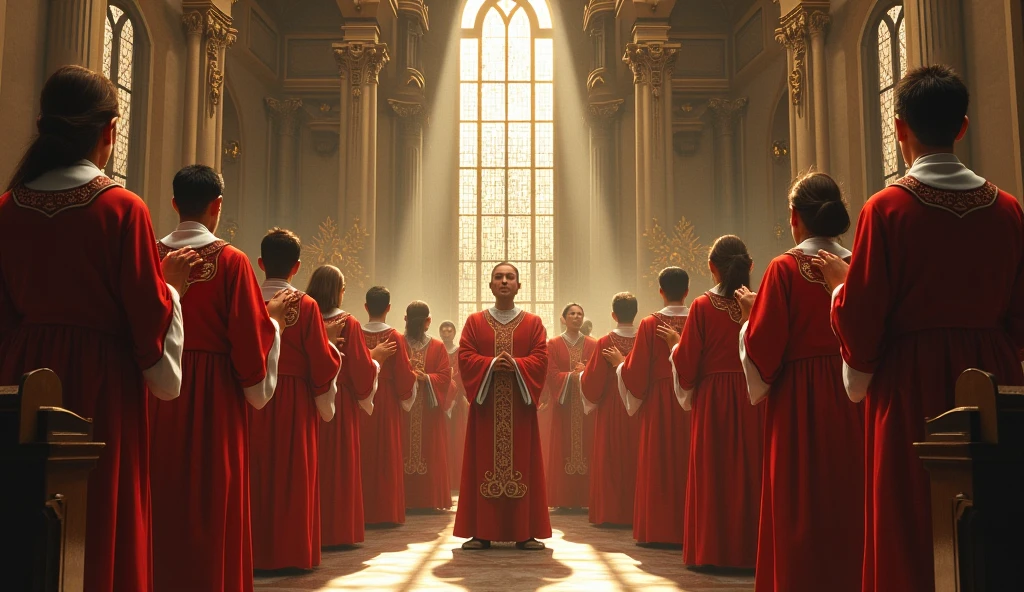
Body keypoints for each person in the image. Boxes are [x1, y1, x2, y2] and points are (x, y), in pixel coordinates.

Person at [817, 65, 1024, 592]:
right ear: (963, 127)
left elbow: (863, 320)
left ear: (899, 127)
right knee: (995, 519)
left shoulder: (885, 208)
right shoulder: (1008, 210)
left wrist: (841, 287)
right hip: (991, 385)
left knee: (910, 520)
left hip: (912, 386)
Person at [0, 65, 189, 592]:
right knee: (101, 512)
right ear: (109, 130)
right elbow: (145, 316)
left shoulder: (6, 209)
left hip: (25, 384)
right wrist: (172, 288)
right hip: (100, 387)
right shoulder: (121, 208)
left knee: (24, 514)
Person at [149, 166, 293, 591]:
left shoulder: (152, 256)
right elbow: (250, 341)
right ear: (218, 207)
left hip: (156, 391)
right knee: (211, 494)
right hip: (215, 397)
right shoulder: (232, 261)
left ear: (174, 204)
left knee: (160, 487)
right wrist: (276, 327)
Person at [738, 172, 864, 592]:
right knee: (851, 492)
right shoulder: (858, 262)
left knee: (801, 498)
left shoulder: (784, 267)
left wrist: (749, 320)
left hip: (799, 400)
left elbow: (765, 345)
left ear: (795, 217)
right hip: (854, 393)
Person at [666, 235, 764, 569]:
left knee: (715, 474)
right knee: (754, 471)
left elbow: (688, 362)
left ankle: (715, 552)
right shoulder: (763, 300)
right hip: (755, 397)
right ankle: (754, 552)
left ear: (712, 268)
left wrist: (676, 348)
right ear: (750, 266)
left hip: (715, 400)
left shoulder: (703, 306)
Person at [249, 228, 342, 570]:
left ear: (260, 263)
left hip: (249, 395)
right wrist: (333, 350)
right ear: (297, 267)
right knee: (292, 475)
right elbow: (321, 361)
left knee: (253, 473)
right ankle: (290, 554)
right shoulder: (307, 305)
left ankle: (252, 551)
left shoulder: (246, 297)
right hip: (294, 401)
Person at [454, 262, 551, 550]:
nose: (505, 281)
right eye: (499, 277)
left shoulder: (533, 322)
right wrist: (494, 363)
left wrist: (518, 366)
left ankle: (525, 532)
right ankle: (480, 532)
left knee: (524, 463)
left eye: (510, 277)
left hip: (519, 410)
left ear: (519, 286)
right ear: (491, 285)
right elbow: (465, 356)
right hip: (486, 408)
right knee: (481, 463)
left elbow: (542, 358)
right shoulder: (475, 321)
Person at [306, 265, 392, 547]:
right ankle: (336, 531)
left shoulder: (304, 315)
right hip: (339, 402)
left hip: (305, 399)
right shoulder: (348, 322)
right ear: (338, 291)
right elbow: (360, 370)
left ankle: (308, 528)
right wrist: (375, 357)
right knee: (338, 465)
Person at [603, 267, 691, 545]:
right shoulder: (699, 316)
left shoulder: (650, 323)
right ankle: (690, 528)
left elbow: (637, 369)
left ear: (661, 291)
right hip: (692, 399)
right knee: (688, 461)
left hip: (659, 401)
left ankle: (659, 530)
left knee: (660, 460)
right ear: (687, 291)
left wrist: (620, 366)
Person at [580, 292, 641, 526]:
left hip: (611, 405)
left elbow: (593, 378)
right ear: (635, 313)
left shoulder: (605, 342)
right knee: (636, 456)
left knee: (612, 457)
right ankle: (636, 512)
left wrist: (582, 379)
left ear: (613, 315)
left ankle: (611, 513)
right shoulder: (645, 336)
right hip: (639, 403)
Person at [360, 285, 417, 524]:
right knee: (386, 452)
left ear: (365, 307)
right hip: (387, 400)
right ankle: (386, 513)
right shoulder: (394, 336)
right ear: (389, 308)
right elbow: (404, 373)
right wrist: (410, 383)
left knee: (364, 452)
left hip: (362, 398)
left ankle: (362, 511)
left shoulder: (356, 332)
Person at [545, 303, 597, 511]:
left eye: (580, 314)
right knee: (563, 445)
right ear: (563, 318)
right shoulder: (554, 344)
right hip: (564, 405)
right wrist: (574, 376)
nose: (576, 317)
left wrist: (587, 373)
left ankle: (587, 498)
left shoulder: (593, 344)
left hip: (586, 407)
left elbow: (598, 372)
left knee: (588, 445)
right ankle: (563, 499)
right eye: (572, 314)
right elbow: (551, 374)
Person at [401, 301, 453, 510]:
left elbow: (444, 377)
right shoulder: (399, 342)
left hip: (428, 409)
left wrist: (426, 378)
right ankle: (416, 500)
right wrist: (410, 376)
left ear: (406, 320)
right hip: (405, 408)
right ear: (428, 322)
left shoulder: (437, 346)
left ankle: (426, 500)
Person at [440, 320, 468, 488]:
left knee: (457, 438)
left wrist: (451, 392)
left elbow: (461, 375)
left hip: (457, 401)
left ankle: (456, 479)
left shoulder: (459, 353)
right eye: (443, 330)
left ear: (454, 332)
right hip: (437, 398)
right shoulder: (436, 349)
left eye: (450, 330)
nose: (447, 333)